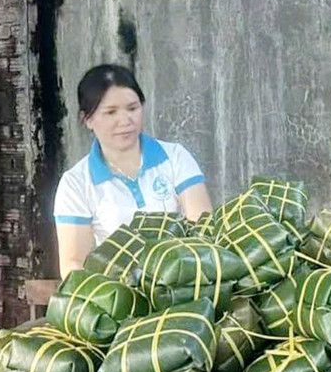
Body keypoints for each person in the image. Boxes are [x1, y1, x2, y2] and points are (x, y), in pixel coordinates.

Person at [54, 64, 212, 278]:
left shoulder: (175, 157)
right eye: (111, 112)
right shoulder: (76, 183)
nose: (125, 120)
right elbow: (73, 264)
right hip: (121, 294)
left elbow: (202, 227)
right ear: (88, 119)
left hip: (182, 281)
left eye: (132, 108)